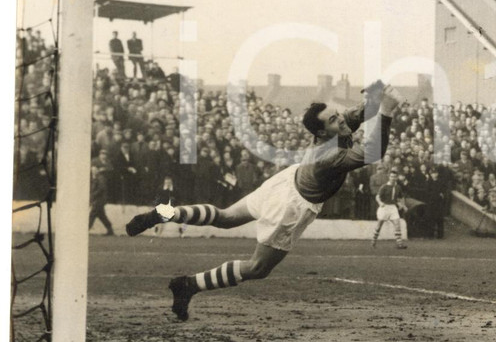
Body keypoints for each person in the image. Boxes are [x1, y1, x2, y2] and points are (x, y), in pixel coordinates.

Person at [125, 81, 400, 321]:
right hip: (291, 205)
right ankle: (187, 285)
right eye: (333, 120)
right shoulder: (328, 156)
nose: (341, 120)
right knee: (257, 268)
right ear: (322, 133)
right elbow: (374, 152)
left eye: (337, 116)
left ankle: (161, 213)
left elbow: (358, 114)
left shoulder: (331, 132)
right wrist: (386, 109)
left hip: (285, 182)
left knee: (224, 217)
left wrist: (376, 97)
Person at [371, 167, 407, 249]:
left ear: (396, 177)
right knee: (379, 225)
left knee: (397, 224)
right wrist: (380, 203)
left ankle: (399, 243)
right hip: (384, 207)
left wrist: (403, 205)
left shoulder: (398, 187)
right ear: (389, 177)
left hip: (393, 207)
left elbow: (401, 197)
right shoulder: (384, 187)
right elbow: (377, 197)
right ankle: (373, 240)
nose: (393, 178)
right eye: (391, 176)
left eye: (394, 177)